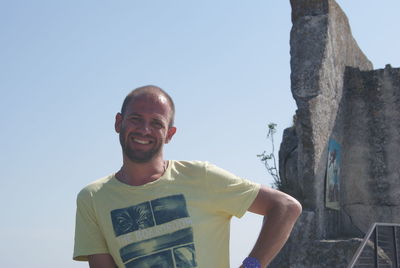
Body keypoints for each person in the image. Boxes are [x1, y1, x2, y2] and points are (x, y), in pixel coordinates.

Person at [73, 85, 302, 268]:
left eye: (156, 123)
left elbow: (286, 207)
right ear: (118, 122)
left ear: (170, 134)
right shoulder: (92, 198)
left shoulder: (200, 176)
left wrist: (251, 266)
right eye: (135, 119)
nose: (144, 129)